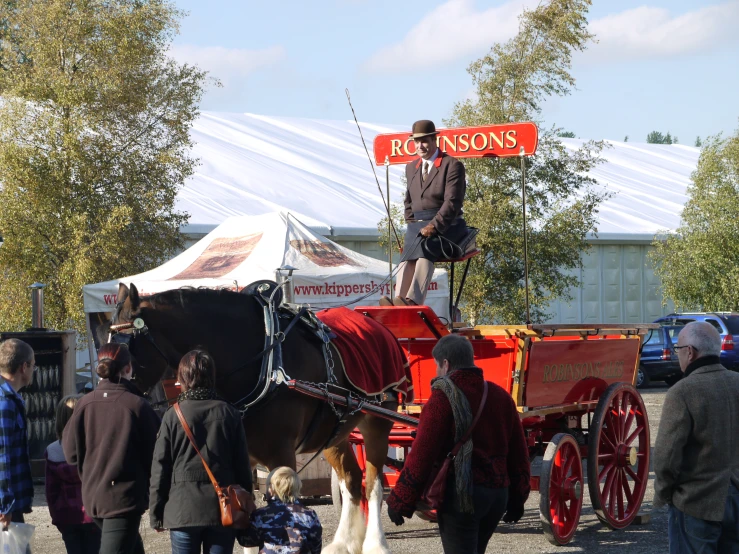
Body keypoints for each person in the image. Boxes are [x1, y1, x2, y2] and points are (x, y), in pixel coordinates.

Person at [385, 334, 530, 554]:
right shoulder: (500, 395)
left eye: (436, 366)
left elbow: (422, 454)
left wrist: (400, 500)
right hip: (497, 496)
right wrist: (518, 497)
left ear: (446, 364)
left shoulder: (442, 399)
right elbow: (519, 453)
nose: (436, 372)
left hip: (462, 498)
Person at [149, 349, 253, 554]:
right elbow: (242, 466)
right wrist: (245, 505)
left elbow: (160, 468)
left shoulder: (173, 415)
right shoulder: (229, 413)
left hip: (182, 510)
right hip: (222, 508)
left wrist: (156, 513)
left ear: (183, 378)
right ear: (211, 376)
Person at [63, 342, 160, 554]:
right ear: (128, 368)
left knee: (131, 546)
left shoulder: (85, 403)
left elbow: (70, 454)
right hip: (124, 499)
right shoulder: (136, 405)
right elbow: (158, 455)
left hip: (93, 496)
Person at [654, 321, 739, 553]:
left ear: (689, 352)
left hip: (696, 503)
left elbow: (666, 455)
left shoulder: (682, 392)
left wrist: (664, 493)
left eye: (678, 349)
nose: (678, 355)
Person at [380, 120, 468, 307]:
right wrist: (411, 222)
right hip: (419, 224)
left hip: (448, 226)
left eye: (424, 141)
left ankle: (413, 300)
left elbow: (452, 202)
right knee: (407, 254)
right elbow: (409, 200)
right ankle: (398, 300)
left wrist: (434, 226)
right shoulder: (411, 167)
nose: (420, 146)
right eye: (416, 142)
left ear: (435, 140)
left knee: (426, 248)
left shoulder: (452, 165)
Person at [45, 394, 102, 554]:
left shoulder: (52, 450)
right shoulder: (96, 448)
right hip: (95, 514)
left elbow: (51, 492)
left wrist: (56, 518)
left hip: (67, 516)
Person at [242, 466, 322, 554]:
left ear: (272, 489)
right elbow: (316, 548)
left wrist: (243, 514)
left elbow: (246, 541)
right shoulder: (310, 515)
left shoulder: (260, 515)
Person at [0, 339, 35, 530]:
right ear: (24, 366)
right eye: (33, 365)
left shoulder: (12, 399)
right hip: (5, 510)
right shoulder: (4, 402)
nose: (33, 371)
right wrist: (5, 506)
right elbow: (1, 455)